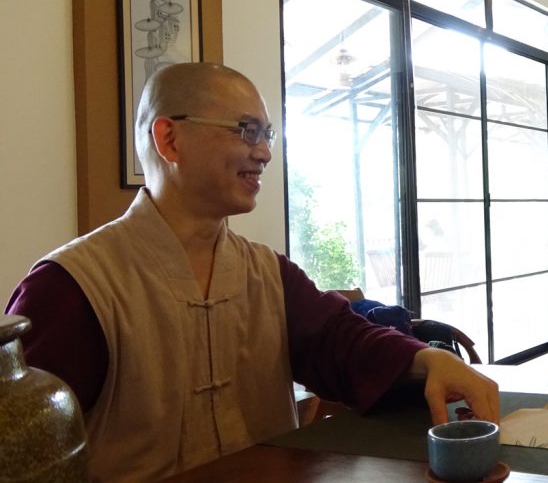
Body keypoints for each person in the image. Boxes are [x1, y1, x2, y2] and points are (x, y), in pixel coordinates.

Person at [5, 63, 499, 482]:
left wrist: (429, 359)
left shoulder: (267, 272)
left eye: (267, 135)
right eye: (246, 130)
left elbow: (341, 342)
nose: (264, 152)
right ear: (169, 138)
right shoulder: (71, 287)